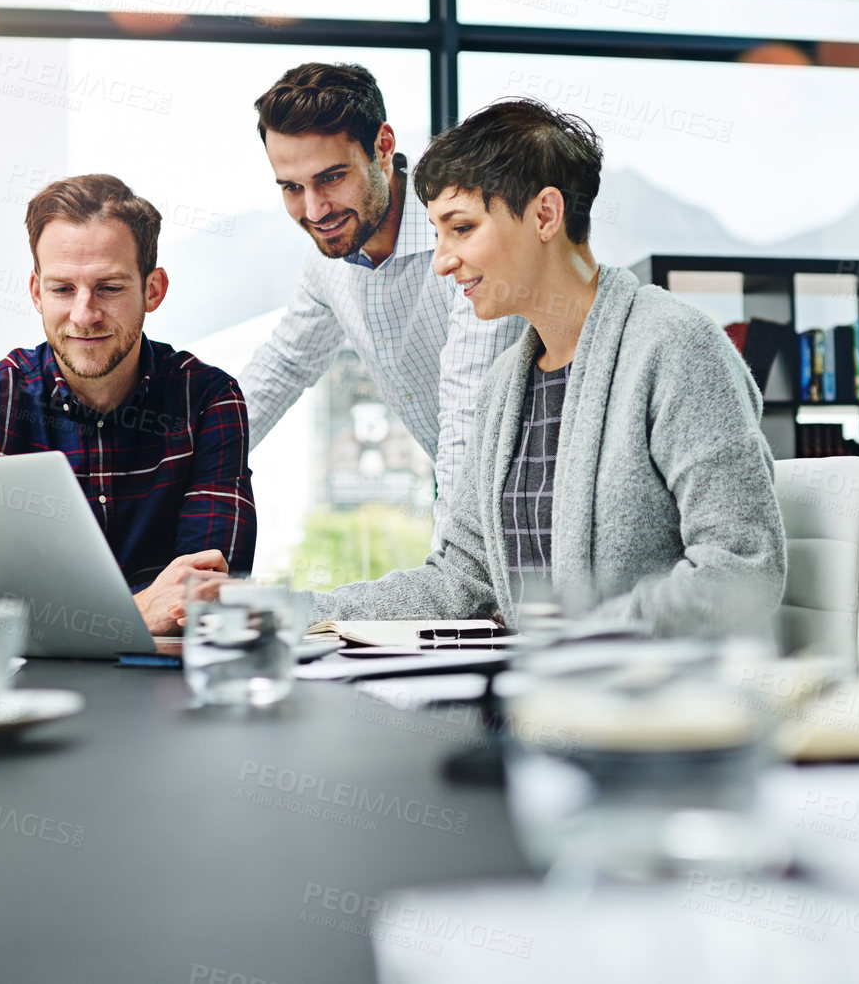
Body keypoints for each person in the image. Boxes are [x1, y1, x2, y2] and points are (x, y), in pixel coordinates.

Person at [305, 98, 786, 636]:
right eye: (438, 234)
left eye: (461, 228)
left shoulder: (675, 346)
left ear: (545, 215)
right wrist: (300, 612)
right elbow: (461, 580)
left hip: (654, 706)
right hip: (542, 701)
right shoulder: (505, 388)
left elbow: (741, 569)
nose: (441, 260)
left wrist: (576, 644)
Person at [0, 174, 255, 634]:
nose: (84, 315)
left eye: (109, 288)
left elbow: (205, 598)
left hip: (166, 697)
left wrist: (44, 621)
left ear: (153, 290)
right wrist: (137, 613)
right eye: (62, 289)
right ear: (36, 292)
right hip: (23, 698)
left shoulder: (208, 400)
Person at [238, 63, 524, 543]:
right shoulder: (328, 264)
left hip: (549, 500)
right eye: (292, 187)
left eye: (331, 177)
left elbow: (467, 417)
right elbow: (280, 369)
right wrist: (168, 478)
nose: (314, 210)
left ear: (383, 148)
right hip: (479, 512)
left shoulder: (464, 236)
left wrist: (449, 574)